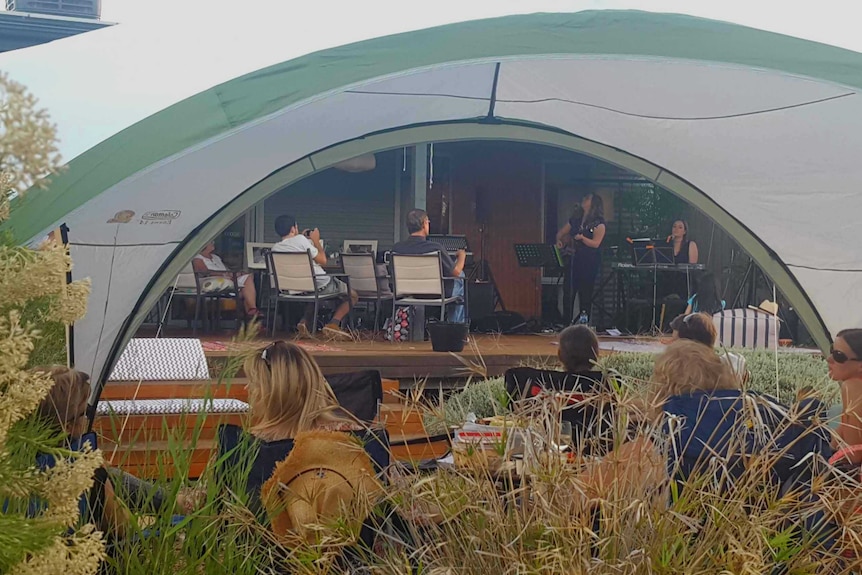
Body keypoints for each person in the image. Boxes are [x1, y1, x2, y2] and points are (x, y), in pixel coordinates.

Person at [216, 341, 388, 528]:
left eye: (254, 383)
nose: (247, 389)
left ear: (274, 392)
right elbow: (385, 502)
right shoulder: (356, 437)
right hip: (350, 551)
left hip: (266, 552)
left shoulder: (245, 447)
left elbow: (211, 506)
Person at [271, 214, 357, 339]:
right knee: (352, 295)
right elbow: (323, 260)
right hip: (319, 284)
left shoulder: (275, 248)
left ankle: (304, 322)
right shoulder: (301, 240)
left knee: (313, 295)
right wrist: (316, 241)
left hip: (294, 289)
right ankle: (334, 323)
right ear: (293, 229)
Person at [391, 209, 466, 323]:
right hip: (435, 294)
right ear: (424, 223)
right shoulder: (435, 248)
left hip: (408, 293)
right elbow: (455, 272)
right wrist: (462, 256)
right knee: (461, 275)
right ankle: (455, 329)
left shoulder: (397, 248)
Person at [555, 194, 606, 324]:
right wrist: (559, 241)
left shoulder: (599, 223)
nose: (584, 199)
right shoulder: (576, 219)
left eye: (587, 198)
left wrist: (583, 238)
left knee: (585, 295)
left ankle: (584, 324)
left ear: (593, 203)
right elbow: (561, 233)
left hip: (588, 262)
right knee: (568, 292)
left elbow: (596, 243)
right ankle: (566, 323)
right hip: (573, 260)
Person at [668, 312, 747, 383]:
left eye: (676, 342)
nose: (671, 347)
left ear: (691, 346)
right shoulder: (731, 367)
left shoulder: (729, 369)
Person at [192, 241, 261, 319]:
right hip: (215, 284)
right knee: (245, 293)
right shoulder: (198, 258)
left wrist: (236, 274)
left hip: (228, 281)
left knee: (248, 277)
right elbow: (203, 271)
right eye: (211, 242)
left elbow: (227, 270)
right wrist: (223, 275)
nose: (213, 243)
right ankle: (252, 315)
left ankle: (252, 311)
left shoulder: (216, 257)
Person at [828, 329, 862, 454]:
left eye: (838, 355)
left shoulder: (852, 386)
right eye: (832, 351)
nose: (829, 359)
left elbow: (853, 456)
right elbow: (840, 432)